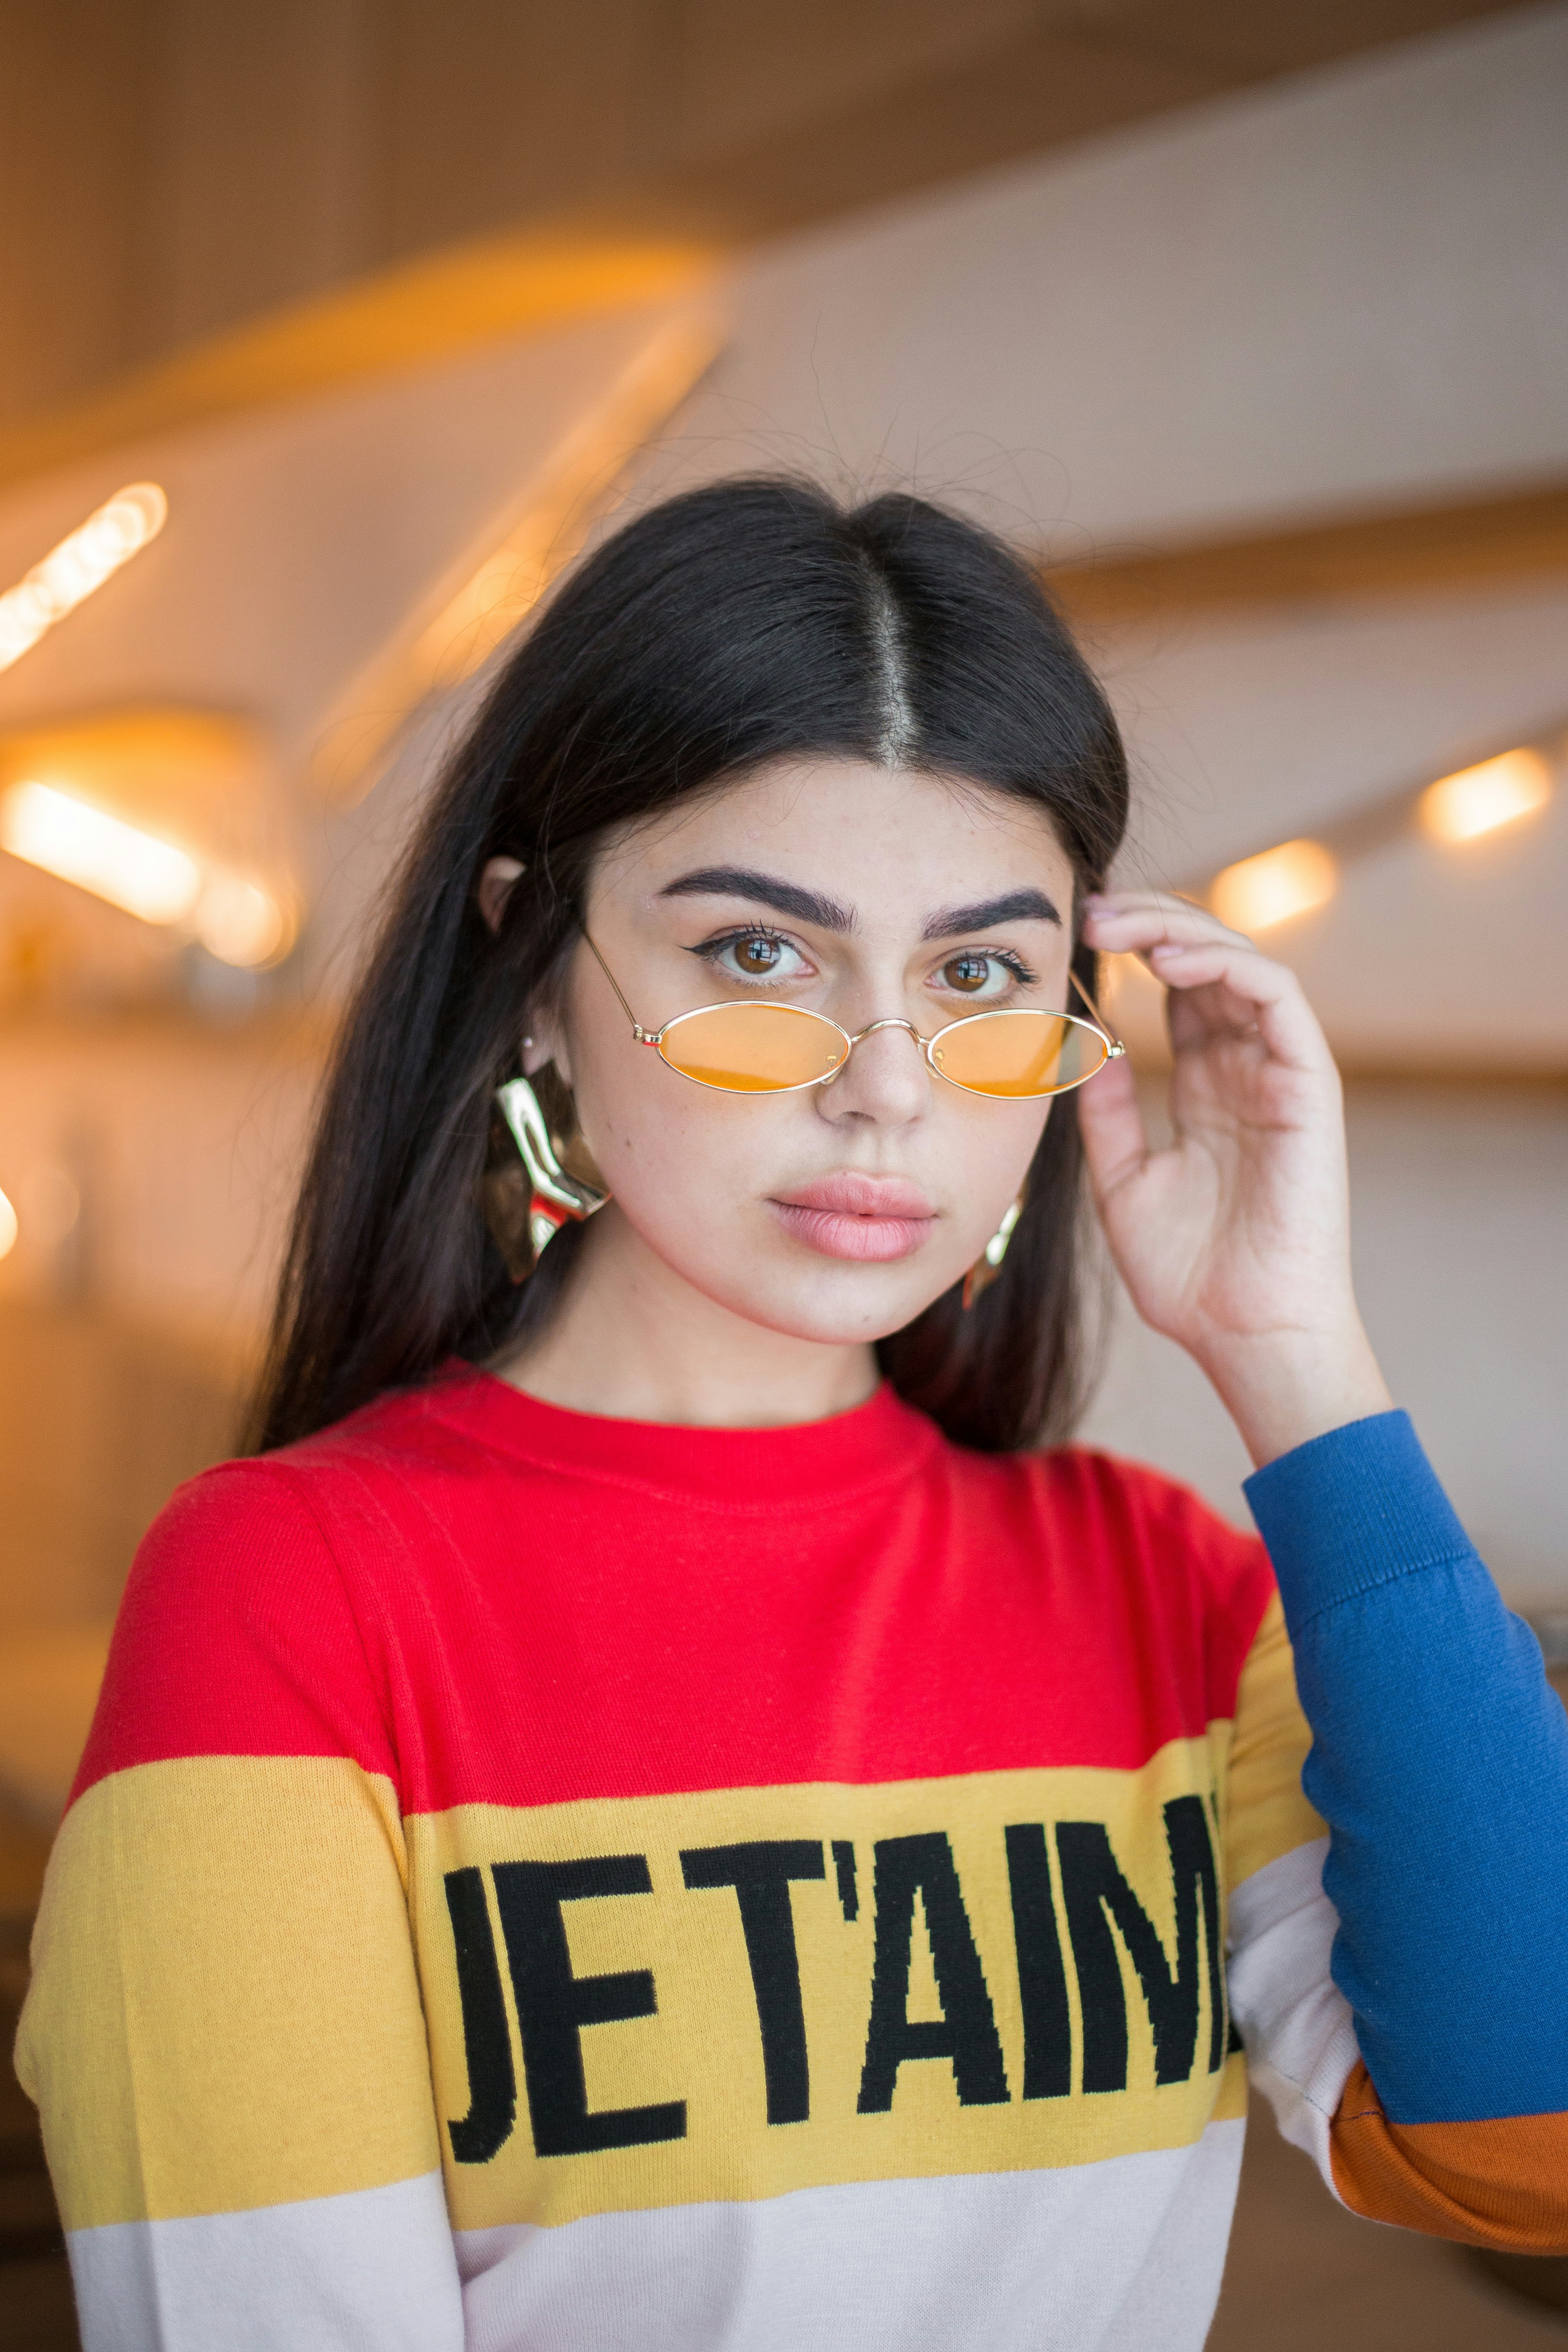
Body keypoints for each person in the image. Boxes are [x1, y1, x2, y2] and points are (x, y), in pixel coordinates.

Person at [17, 479, 1568, 2351]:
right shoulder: (289, 1599)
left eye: (979, 974)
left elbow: (1529, 2148)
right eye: (760, 953)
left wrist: (1299, 1356)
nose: (887, 1091)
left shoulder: (1171, 1596)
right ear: (532, 972)